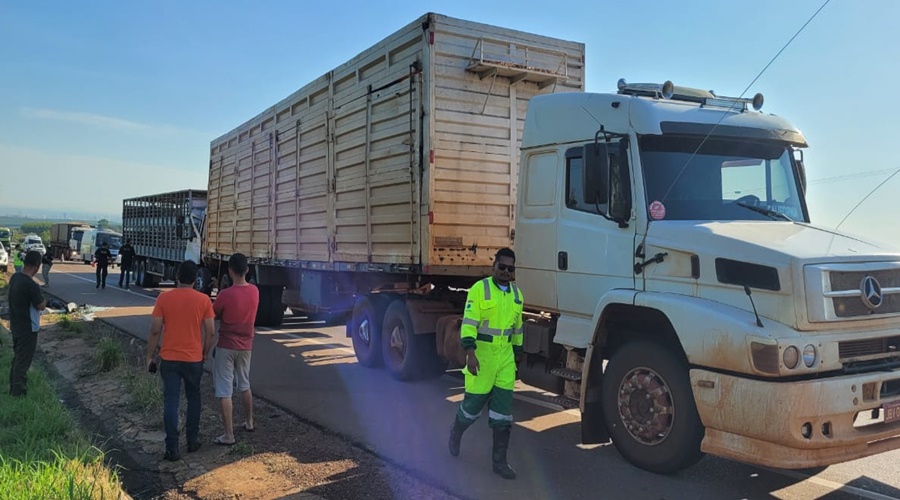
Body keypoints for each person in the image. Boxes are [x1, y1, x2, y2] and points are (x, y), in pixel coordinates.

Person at [448, 247, 524, 480]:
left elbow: (517, 328)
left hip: (505, 359)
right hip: (482, 357)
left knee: (502, 415)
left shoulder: (517, 295)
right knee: (472, 409)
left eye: (510, 268)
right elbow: (469, 324)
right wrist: (470, 353)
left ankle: (499, 463)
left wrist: (517, 355)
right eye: (502, 267)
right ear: (494, 266)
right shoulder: (479, 290)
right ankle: (456, 431)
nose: (506, 271)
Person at [145, 260, 215, 461]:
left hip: (169, 359)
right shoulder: (203, 301)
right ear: (195, 279)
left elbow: (155, 330)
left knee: (171, 401)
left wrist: (150, 356)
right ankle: (192, 441)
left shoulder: (164, 299)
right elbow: (210, 332)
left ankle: (172, 448)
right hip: (194, 359)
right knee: (194, 398)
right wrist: (204, 353)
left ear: (177, 276)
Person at [212, 253, 259, 445]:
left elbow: (214, 314)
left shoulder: (225, 295)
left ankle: (229, 435)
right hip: (246, 344)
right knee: (244, 383)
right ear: (247, 270)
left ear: (230, 271)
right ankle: (249, 421)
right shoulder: (255, 291)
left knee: (225, 390)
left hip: (226, 345)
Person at [8, 250, 46, 397]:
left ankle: (13, 389)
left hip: (16, 325)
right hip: (28, 328)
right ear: (37, 265)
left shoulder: (15, 277)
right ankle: (19, 394)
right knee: (23, 363)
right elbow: (41, 305)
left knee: (17, 359)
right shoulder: (31, 284)